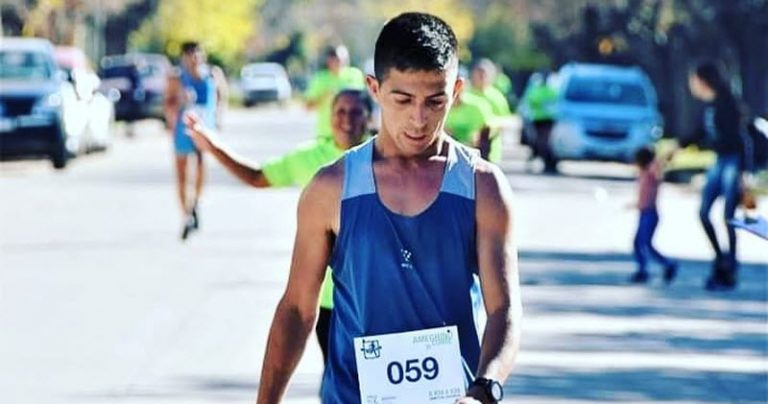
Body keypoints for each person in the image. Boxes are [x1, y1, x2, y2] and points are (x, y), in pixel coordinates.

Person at [256, 12, 522, 404]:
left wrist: (485, 387)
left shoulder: (483, 186)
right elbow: (296, 308)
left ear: (458, 91)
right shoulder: (331, 188)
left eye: (435, 101)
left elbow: (505, 310)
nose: (419, 119)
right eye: (403, 100)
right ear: (375, 89)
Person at [183, 89, 372, 365]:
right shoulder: (309, 157)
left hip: (376, 298)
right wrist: (211, 146)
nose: (347, 120)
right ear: (329, 117)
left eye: (356, 112)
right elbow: (258, 177)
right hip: (331, 302)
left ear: (368, 118)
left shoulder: (385, 159)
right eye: (340, 112)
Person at [686, 62, 749, 290]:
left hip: (732, 162)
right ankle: (720, 257)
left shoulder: (726, 105)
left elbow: (742, 139)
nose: (691, 85)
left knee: (728, 217)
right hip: (719, 161)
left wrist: (744, 172)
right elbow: (699, 133)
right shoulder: (708, 106)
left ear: (702, 80)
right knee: (703, 213)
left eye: (693, 80)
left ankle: (730, 266)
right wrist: (677, 147)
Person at [164, 41, 228, 241]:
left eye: (197, 54)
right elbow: (167, 102)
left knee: (201, 165)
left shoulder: (212, 74)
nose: (193, 59)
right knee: (182, 173)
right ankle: (186, 216)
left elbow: (221, 94)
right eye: (189, 55)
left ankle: (196, 203)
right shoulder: (177, 78)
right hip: (183, 128)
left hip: (204, 127)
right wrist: (177, 105)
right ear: (183, 57)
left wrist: (218, 117)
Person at [627, 147, 678, 284]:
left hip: (650, 214)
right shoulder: (642, 174)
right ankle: (648, 268)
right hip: (643, 213)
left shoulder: (651, 173)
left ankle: (662, 265)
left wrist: (663, 156)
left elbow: (658, 168)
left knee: (644, 243)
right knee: (640, 243)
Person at [305, 44, 366, 141]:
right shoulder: (320, 79)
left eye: (344, 59)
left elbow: (365, 100)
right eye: (337, 59)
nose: (341, 62)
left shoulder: (355, 75)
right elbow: (308, 106)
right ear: (329, 61)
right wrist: (325, 96)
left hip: (352, 132)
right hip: (327, 134)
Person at [467, 58, 513, 163]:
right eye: (478, 74)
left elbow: (506, 119)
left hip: (490, 150)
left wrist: (489, 126)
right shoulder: (466, 94)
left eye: (484, 75)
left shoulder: (496, 97)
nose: (481, 78)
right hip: (467, 147)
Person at [520, 71, 559, 173]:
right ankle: (548, 163)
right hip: (538, 120)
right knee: (541, 142)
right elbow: (529, 102)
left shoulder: (550, 91)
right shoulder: (541, 91)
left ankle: (550, 163)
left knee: (544, 142)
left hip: (547, 119)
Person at [445, 88, 495, 160]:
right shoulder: (437, 108)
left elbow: (491, 127)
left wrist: (480, 135)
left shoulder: (478, 105)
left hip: (479, 156)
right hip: (449, 157)